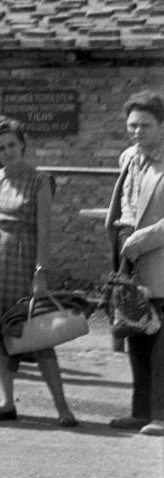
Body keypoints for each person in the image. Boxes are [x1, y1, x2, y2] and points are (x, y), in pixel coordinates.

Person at [0, 116, 77, 426]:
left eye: (11, 145)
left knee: (37, 333)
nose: (6, 152)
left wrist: (40, 270)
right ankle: (6, 402)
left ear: (23, 144)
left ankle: (62, 407)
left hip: (23, 259)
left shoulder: (40, 180)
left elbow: (44, 230)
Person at [108, 89, 164, 435]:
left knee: (161, 340)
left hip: (159, 257)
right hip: (130, 261)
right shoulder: (128, 158)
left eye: (145, 125)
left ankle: (162, 414)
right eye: (132, 125)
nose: (137, 131)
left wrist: (144, 239)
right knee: (135, 333)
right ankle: (140, 411)